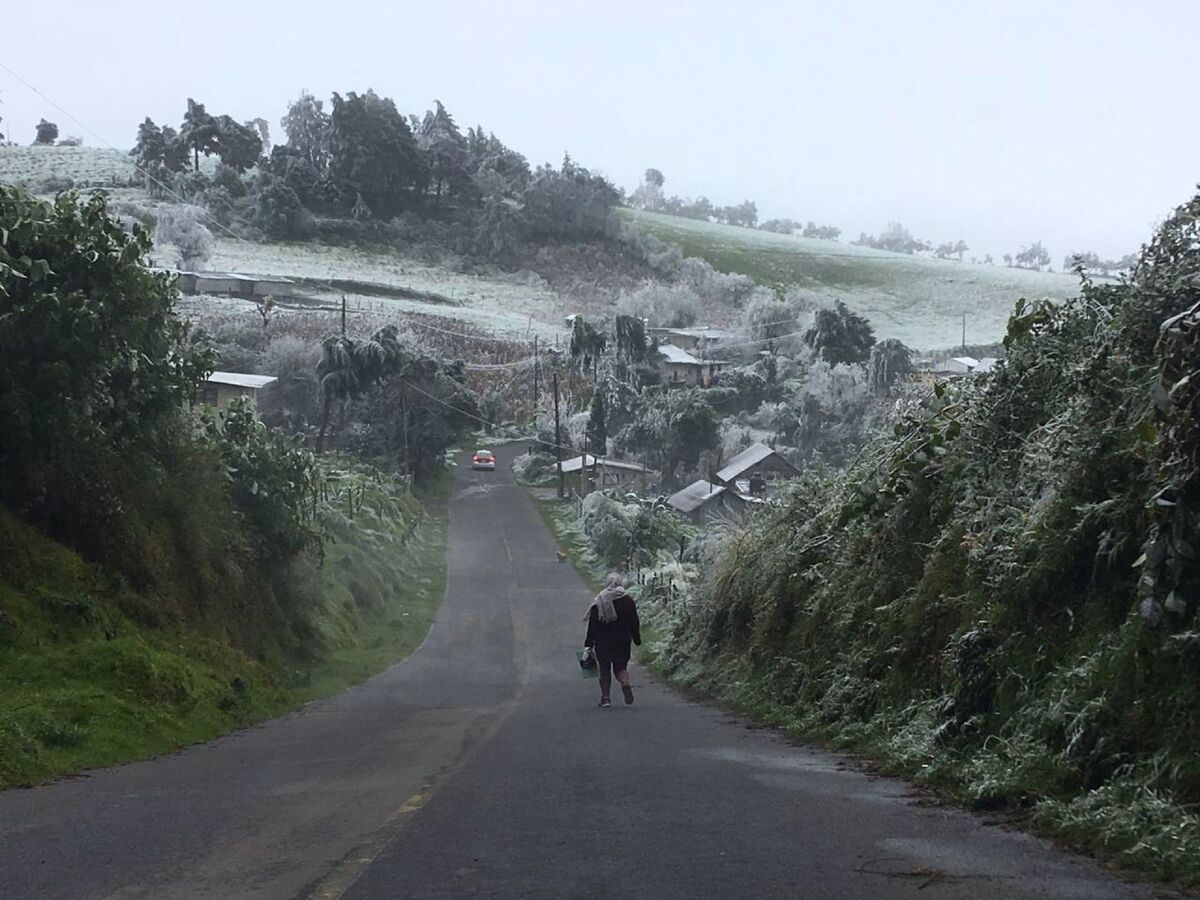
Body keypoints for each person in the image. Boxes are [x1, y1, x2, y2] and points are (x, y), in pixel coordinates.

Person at [584, 573, 641, 708]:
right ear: (621, 584)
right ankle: (625, 682)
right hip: (622, 640)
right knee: (620, 667)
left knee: (604, 669)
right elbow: (634, 621)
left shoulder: (600, 600)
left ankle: (605, 698)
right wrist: (636, 638)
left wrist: (588, 643)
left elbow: (593, 624)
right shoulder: (628, 601)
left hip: (603, 641)